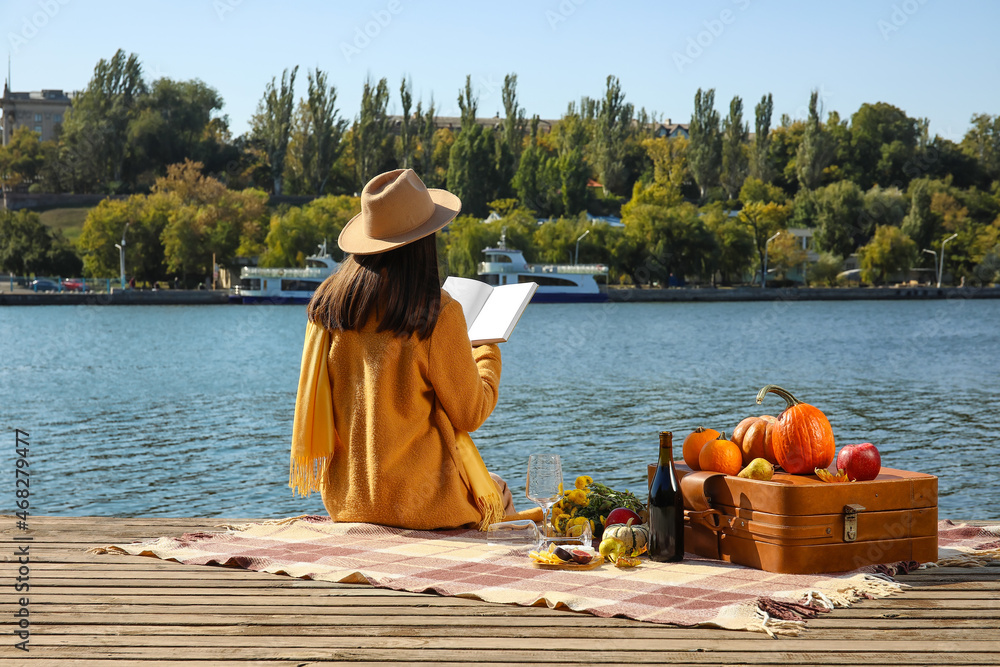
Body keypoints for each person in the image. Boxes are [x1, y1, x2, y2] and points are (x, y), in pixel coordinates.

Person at [290, 169, 516, 530]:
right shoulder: (436, 312)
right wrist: (487, 347)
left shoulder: (329, 306)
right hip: (424, 504)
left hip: (349, 500)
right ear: (425, 240)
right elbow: (470, 412)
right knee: (498, 493)